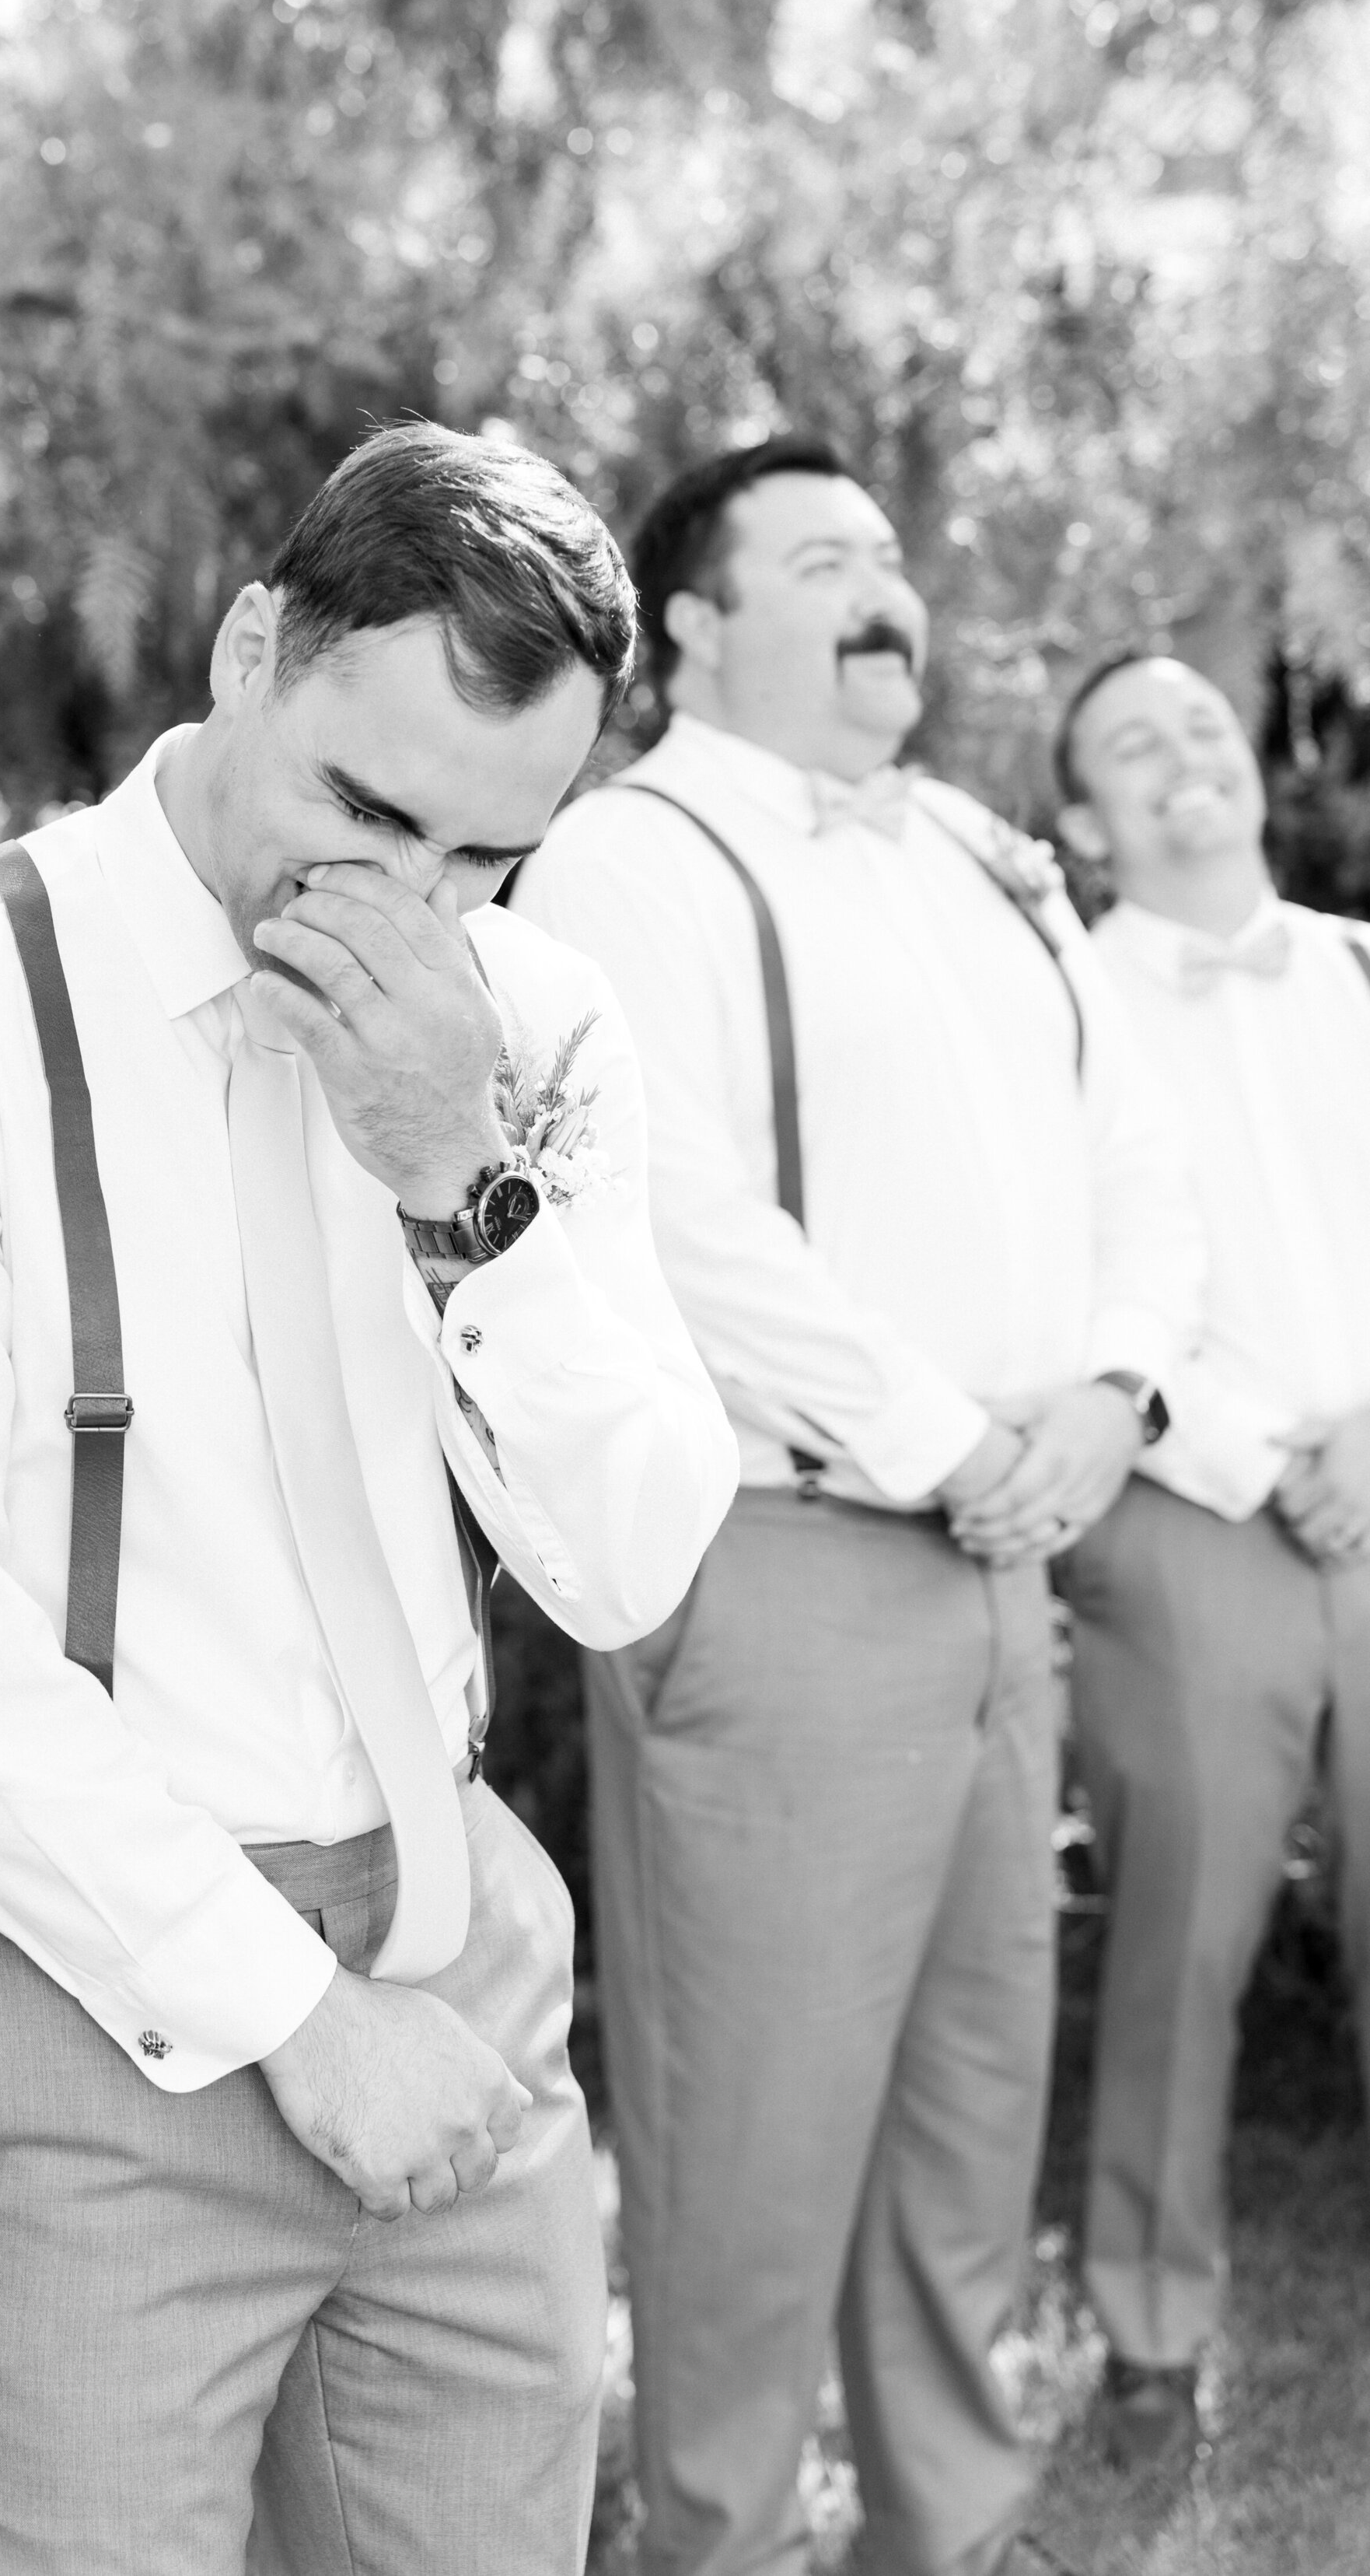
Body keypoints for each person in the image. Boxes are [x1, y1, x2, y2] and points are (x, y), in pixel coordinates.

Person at [0, 424, 739, 2576]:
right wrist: (295, 2011)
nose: (414, 902)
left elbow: (634, 1553)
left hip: (453, 1949)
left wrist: (468, 1194)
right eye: (367, 806)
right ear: (248, 646)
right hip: (59, 1988)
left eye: (492, 854)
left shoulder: (532, 1027)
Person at [515, 436, 1202, 2576]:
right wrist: (946, 1438)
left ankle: (954, 2522)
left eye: (890, 558)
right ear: (696, 624)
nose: (882, 590)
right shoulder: (628, 861)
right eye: (822, 561)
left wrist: (1114, 1390)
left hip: (1019, 1560)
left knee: (972, 2093)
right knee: (750, 2136)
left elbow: (1136, 1145)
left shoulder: (991, 864)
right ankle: (709, 2535)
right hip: (794, 1555)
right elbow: (677, 1216)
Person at [1051, 650, 1370, 2473]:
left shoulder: (1356, 969)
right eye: (1128, 744)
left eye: (1198, 724)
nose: (1181, 757)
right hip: (1191, 1516)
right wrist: (1268, 1458)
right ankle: (1151, 2334)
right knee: (1183, 1937)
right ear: (1085, 816)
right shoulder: (1062, 1006)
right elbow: (1068, 1270)